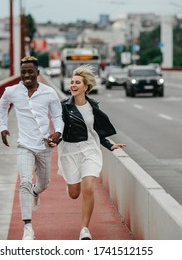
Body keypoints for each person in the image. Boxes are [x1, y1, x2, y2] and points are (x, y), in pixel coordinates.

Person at [56, 64, 126, 240]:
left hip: (89, 149)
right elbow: (59, 129)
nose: (73, 85)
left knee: (88, 187)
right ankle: (71, 183)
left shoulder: (93, 107)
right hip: (69, 150)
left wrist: (110, 145)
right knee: (74, 194)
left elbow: (96, 131)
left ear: (85, 87)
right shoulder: (63, 107)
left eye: (77, 82)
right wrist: (52, 139)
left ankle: (84, 230)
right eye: (72, 82)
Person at [0, 56, 64, 240]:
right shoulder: (12, 91)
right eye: (23, 72)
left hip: (43, 145)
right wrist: (3, 127)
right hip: (24, 145)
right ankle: (28, 228)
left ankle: (35, 193)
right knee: (25, 181)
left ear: (38, 73)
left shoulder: (49, 93)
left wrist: (58, 133)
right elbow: (1, 106)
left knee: (44, 184)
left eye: (30, 72)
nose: (26, 75)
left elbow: (58, 116)